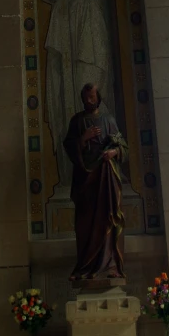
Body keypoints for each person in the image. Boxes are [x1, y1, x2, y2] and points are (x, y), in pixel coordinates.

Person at [30, 0, 128, 187]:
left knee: (97, 78)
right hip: (69, 24)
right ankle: (81, 160)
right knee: (72, 87)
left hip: (93, 18)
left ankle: (109, 153)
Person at [63, 82, 128, 281]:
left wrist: (114, 151)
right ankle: (85, 266)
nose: (88, 101)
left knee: (108, 216)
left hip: (106, 177)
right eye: (85, 98)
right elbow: (69, 146)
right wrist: (84, 138)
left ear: (98, 97)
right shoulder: (77, 121)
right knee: (86, 224)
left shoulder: (108, 120)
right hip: (86, 180)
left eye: (92, 97)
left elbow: (123, 146)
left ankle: (110, 266)